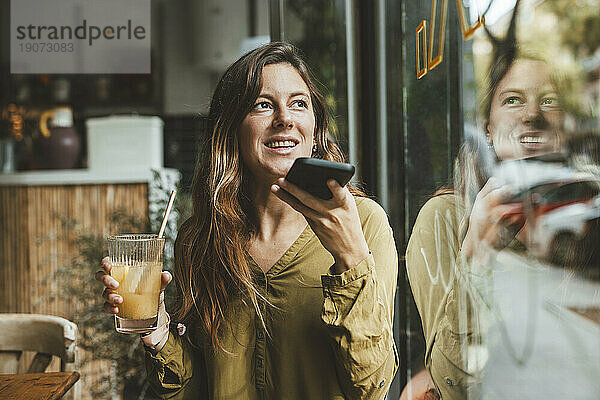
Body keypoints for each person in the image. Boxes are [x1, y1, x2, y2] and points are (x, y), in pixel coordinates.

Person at [96, 41, 399, 399]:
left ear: (315, 132)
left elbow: (371, 388)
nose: (284, 118)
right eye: (263, 105)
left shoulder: (364, 224)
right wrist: (157, 327)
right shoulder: (201, 238)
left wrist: (351, 259)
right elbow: (194, 391)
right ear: (231, 131)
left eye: (299, 104)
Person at [404, 4, 569, 396]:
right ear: (487, 130)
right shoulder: (444, 219)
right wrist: (477, 251)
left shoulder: (584, 213)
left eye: (548, 99)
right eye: (512, 99)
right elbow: (454, 381)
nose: (532, 114)